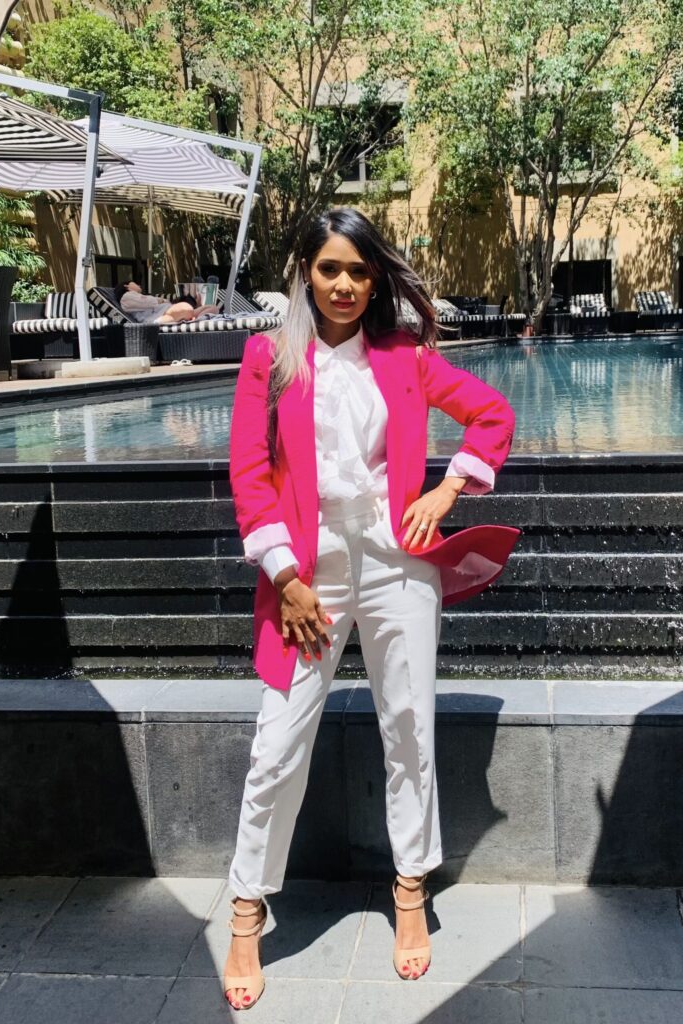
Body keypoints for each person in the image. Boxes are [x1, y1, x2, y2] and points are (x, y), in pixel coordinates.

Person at [223, 207, 519, 1010]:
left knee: (409, 729)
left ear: (375, 276)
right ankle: (246, 909)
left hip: (397, 562)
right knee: (278, 744)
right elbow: (248, 472)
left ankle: (410, 891)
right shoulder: (268, 358)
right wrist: (285, 577)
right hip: (306, 573)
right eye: (330, 269)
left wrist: (447, 489)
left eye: (359, 270)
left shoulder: (404, 355)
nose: (345, 285)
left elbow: (493, 415)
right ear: (305, 273)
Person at [114, 280, 221, 324]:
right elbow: (149, 302)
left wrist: (161, 301)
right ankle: (193, 312)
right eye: (135, 283)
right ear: (126, 286)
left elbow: (157, 301)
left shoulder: (134, 297)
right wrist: (160, 300)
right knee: (186, 306)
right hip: (159, 318)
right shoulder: (126, 297)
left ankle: (195, 320)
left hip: (169, 312)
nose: (139, 285)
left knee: (213, 308)